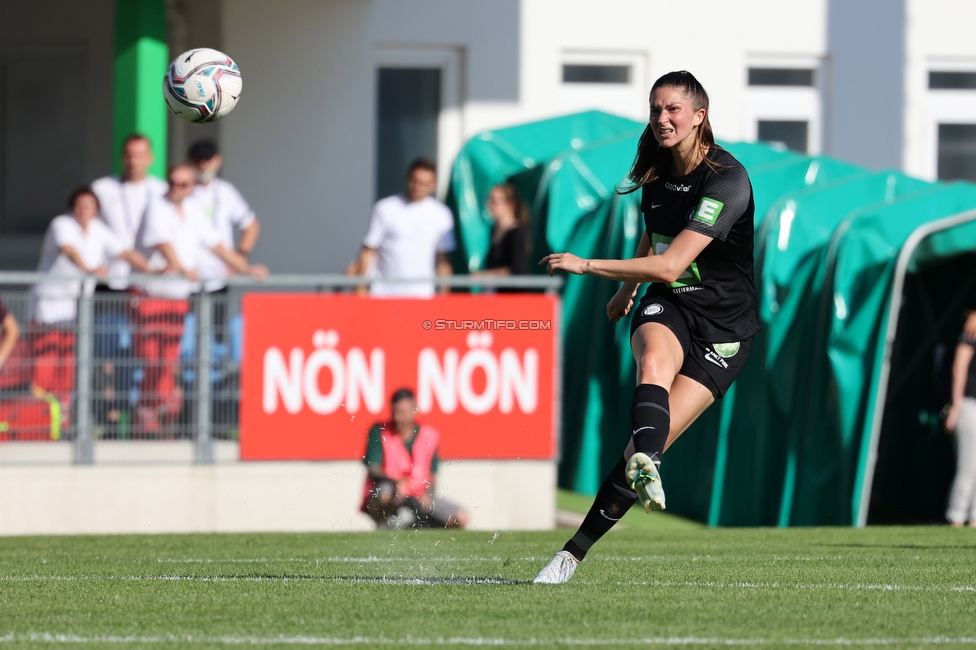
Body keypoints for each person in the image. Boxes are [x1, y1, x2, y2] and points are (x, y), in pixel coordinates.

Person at [534, 71, 759, 583]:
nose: (662, 118)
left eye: (673, 109)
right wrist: (628, 290)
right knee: (652, 360)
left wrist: (589, 266)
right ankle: (566, 560)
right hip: (670, 305)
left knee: (640, 450)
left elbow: (672, 263)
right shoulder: (655, 167)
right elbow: (655, 237)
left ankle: (576, 548)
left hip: (725, 328)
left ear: (699, 116)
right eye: (655, 109)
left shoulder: (727, 180)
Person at [132, 164, 267, 434]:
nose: (175, 188)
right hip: (149, 296)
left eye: (182, 184)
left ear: (192, 187)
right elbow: (163, 243)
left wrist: (245, 268)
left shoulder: (194, 212)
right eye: (171, 182)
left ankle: (161, 416)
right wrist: (182, 268)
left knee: (168, 360)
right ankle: (147, 417)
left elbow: (217, 246)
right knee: (151, 359)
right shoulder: (156, 207)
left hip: (177, 298)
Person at [30, 187, 154, 399]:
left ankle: (63, 416)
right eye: (79, 205)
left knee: (68, 360)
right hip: (50, 303)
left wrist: (152, 271)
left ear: (96, 209)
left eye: (89, 206)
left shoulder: (99, 229)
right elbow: (69, 250)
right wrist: (88, 270)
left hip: (77, 306)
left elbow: (124, 251)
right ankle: (38, 413)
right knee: (45, 357)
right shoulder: (62, 224)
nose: (83, 210)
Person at [361, 387, 469, 529]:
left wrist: (427, 495)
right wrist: (396, 482)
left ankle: (417, 525)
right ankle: (386, 525)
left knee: (461, 517)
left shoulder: (429, 436)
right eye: (395, 412)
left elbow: (432, 476)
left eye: (403, 412)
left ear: (414, 411)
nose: (398, 418)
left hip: (418, 493)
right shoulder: (380, 430)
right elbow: (373, 469)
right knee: (384, 493)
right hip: (391, 492)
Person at [347, 158, 455, 297]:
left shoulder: (441, 214)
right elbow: (368, 251)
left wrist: (443, 296)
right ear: (407, 178)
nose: (417, 186)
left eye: (423, 183)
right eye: (414, 180)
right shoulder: (385, 208)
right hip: (384, 295)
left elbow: (443, 260)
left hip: (422, 296)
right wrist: (360, 290)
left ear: (433, 185)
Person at [91, 134, 168, 290]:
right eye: (129, 156)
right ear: (122, 157)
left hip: (149, 279)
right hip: (110, 276)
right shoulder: (101, 188)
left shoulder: (162, 190)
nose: (133, 162)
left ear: (150, 158)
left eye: (139, 156)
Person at [187, 139, 261, 294]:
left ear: (217, 161)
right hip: (186, 277)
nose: (202, 165)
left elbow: (251, 225)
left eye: (207, 160)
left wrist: (239, 259)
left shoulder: (225, 191)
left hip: (218, 278)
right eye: (198, 160)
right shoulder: (181, 191)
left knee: (217, 318)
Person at [944, 315, 976, 527]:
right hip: (969, 405)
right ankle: (956, 519)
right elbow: (959, 369)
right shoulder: (971, 332)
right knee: (968, 467)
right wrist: (955, 407)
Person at [475, 183, 530, 285]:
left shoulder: (516, 234)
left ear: (510, 204)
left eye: (495, 201)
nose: (490, 206)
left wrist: (485, 275)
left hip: (511, 297)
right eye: (489, 200)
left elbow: (518, 270)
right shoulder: (494, 231)